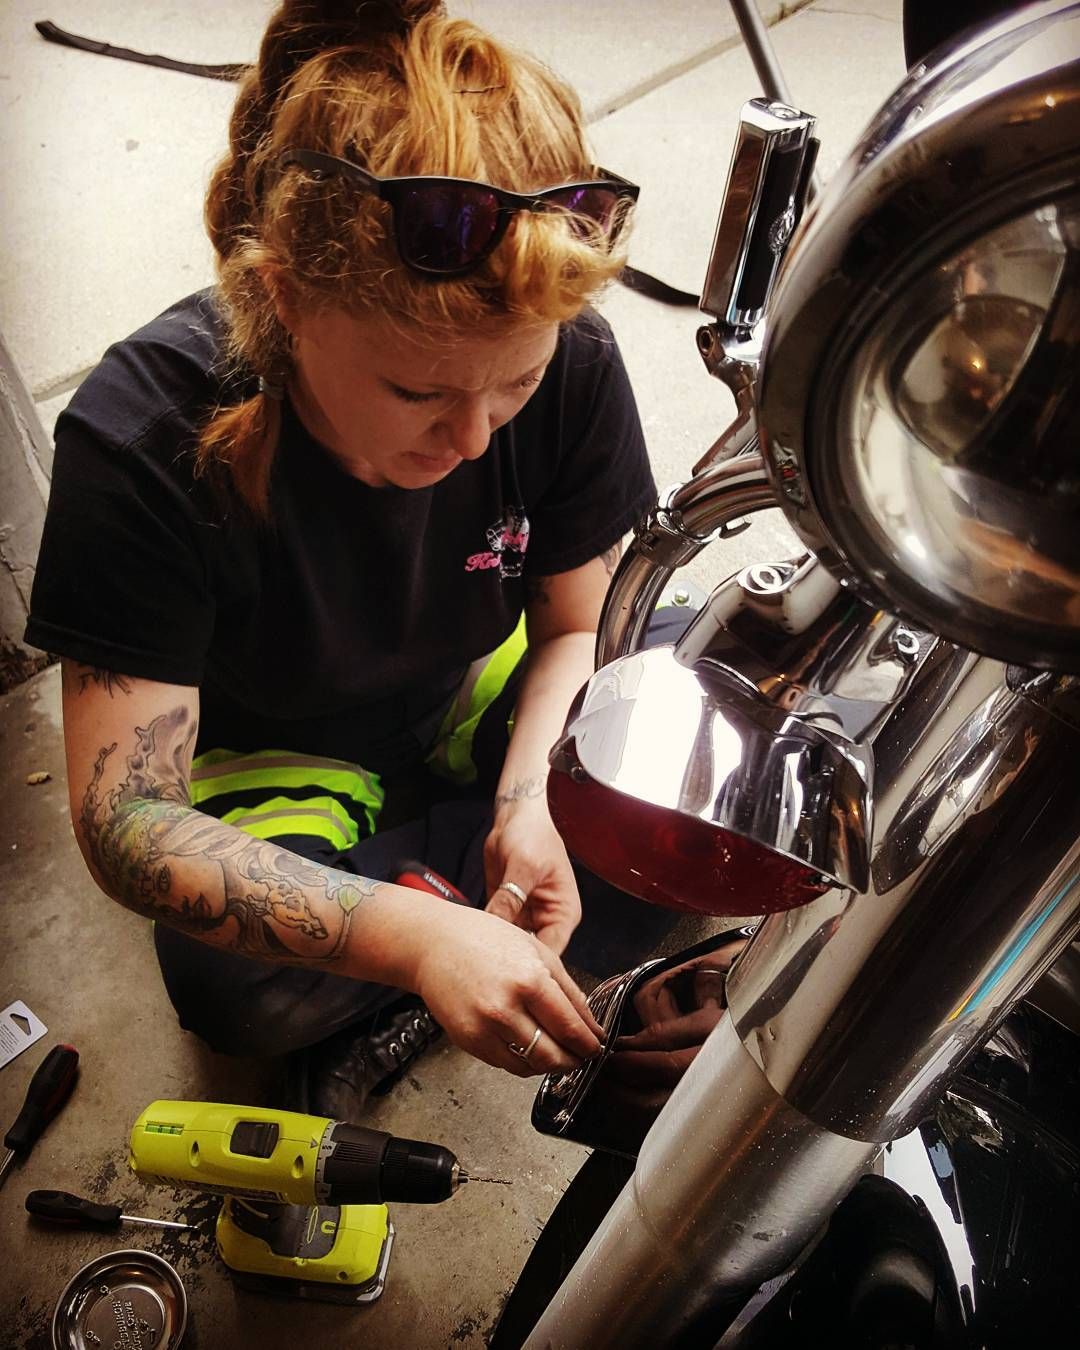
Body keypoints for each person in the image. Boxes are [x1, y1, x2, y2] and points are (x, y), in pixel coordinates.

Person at [26, 0, 665, 1116]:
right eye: (419, 392)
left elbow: (575, 622)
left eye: (512, 386)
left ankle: (442, 943)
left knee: (694, 741)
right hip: (281, 764)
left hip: (475, 703)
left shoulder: (573, 366)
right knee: (236, 992)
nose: (474, 440)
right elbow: (126, 820)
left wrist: (533, 800)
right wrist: (420, 941)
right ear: (285, 298)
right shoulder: (141, 436)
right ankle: (448, 951)